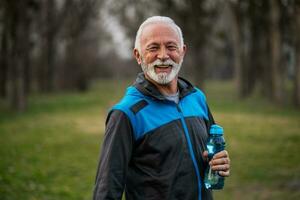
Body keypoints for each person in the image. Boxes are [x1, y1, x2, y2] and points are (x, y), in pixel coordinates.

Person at [93, 16, 230, 200]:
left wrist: (217, 162)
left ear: (182, 52)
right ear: (138, 55)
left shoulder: (197, 98)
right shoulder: (126, 114)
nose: (163, 55)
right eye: (153, 48)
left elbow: (208, 153)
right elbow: (106, 191)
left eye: (171, 47)